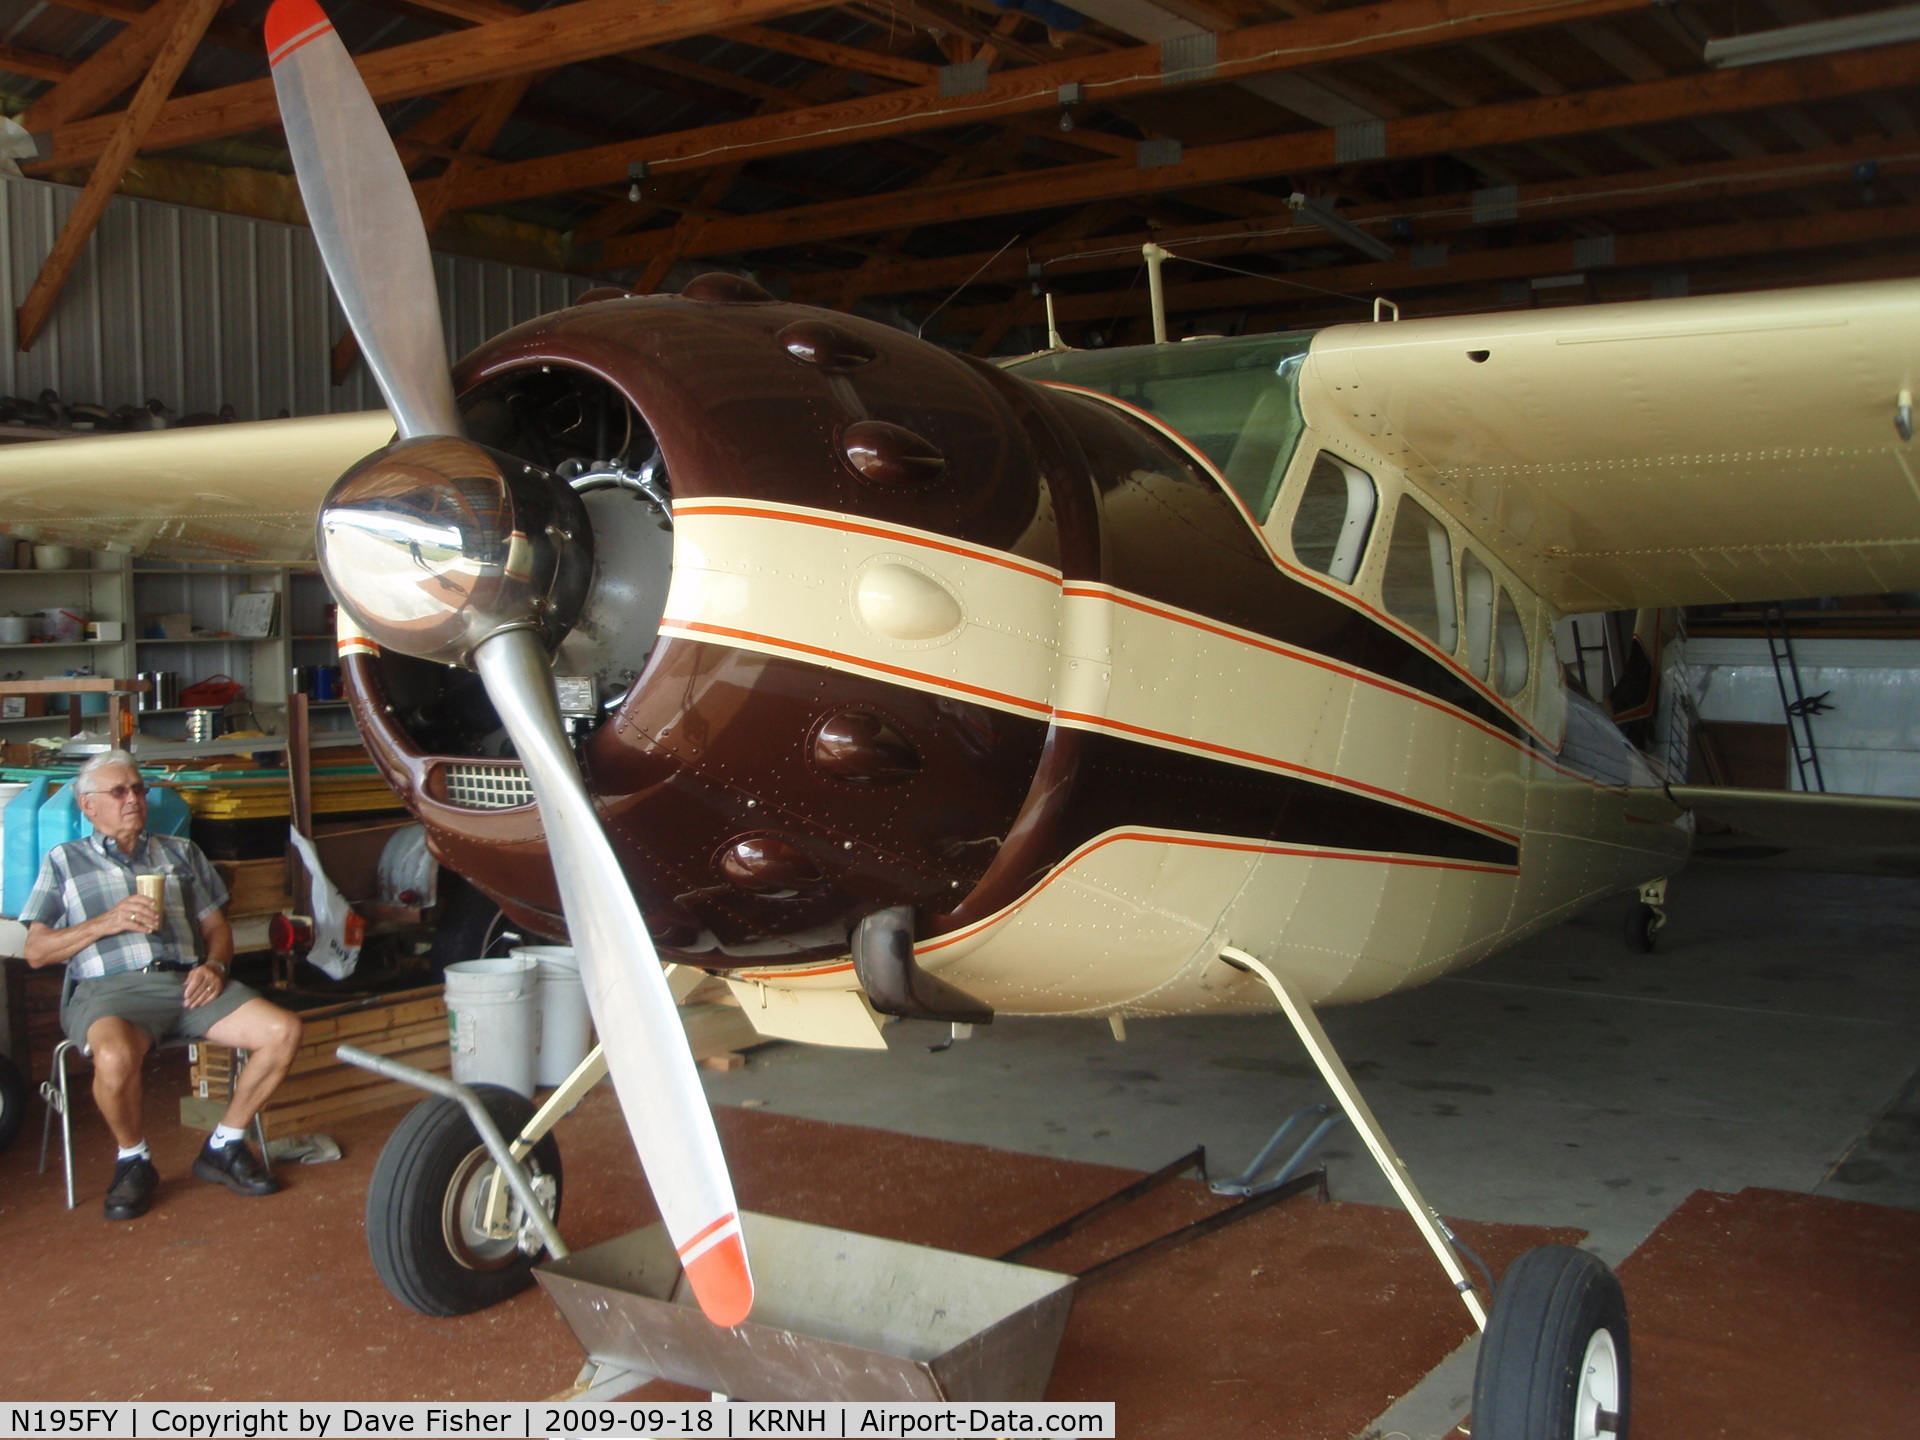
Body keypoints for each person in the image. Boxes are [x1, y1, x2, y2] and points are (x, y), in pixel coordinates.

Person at [22, 750, 302, 1220]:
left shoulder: (181, 852)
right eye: (118, 791)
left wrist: (214, 966)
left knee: (284, 1031)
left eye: (138, 788)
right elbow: (36, 950)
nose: (133, 798)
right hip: (110, 991)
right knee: (114, 1056)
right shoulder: (65, 860)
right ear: (87, 805)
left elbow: (218, 930)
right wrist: (105, 922)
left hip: (189, 984)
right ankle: (134, 1159)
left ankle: (224, 1143)